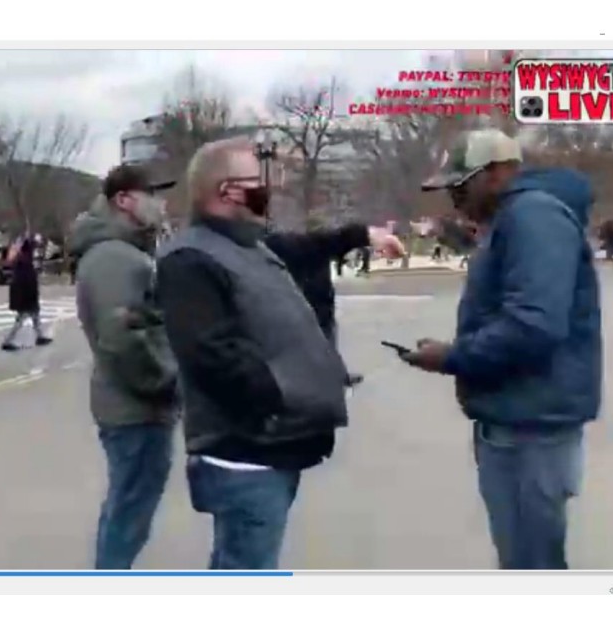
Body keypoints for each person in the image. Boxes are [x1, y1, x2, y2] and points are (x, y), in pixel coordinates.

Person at [404, 129, 601, 570]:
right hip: (519, 421)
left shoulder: (533, 217)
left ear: (496, 173)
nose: (453, 196)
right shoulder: (516, 218)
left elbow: (533, 324)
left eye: (461, 184)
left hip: (531, 429)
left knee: (532, 565)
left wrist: (451, 357)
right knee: (525, 560)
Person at [155, 137, 350, 570]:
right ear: (227, 191)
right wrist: (281, 398)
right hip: (245, 453)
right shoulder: (190, 259)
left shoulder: (249, 246)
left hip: (274, 444)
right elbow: (213, 354)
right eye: (258, 182)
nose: (270, 190)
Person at [70, 165, 180, 569]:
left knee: (127, 506)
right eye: (153, 193)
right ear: (125, 200)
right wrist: (167, 381)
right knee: (129, 513)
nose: (162, 203)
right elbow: (121, 340)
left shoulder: (123, 251)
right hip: (136, 409)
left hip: (133, 406)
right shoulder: (115, 258)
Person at [265, 221, 404, 387]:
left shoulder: (279, 245)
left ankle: (336, 374)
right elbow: (329, 241)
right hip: (309, 307)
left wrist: (369, 235)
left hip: (319, 303)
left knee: (327, 340)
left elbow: (329, 241)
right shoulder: (271, 245)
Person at [1, 233, 53, 351]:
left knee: (35, 315)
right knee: (23, 316)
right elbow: (28, 282)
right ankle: (8, 340)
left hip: (24, 293)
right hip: (26, 294)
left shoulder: (21, 260)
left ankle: (40, 336)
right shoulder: (25, 262)